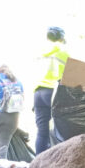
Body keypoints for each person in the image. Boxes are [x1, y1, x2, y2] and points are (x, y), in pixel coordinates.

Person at [34, 26, 69, 154]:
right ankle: (60, 161)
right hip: (53, 92)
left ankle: (38, 163)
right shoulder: (63, 52)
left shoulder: (40, 53)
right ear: (61, 37)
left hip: (38, 92)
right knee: (61, 129)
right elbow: (71, 75)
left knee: (42, 132)